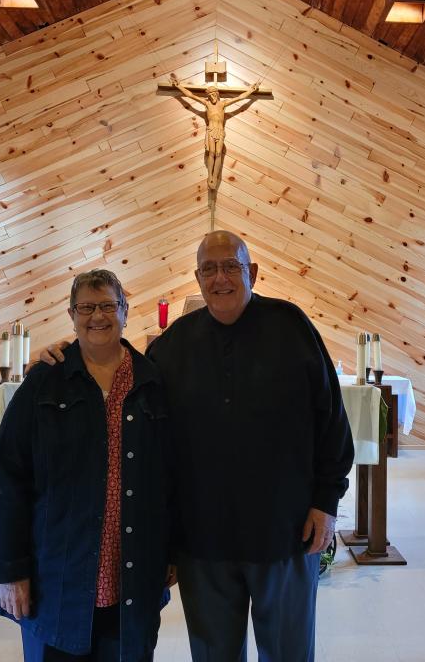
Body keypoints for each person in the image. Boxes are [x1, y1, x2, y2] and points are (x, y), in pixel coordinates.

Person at [43, 231, 353, 661]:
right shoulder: (175, 345)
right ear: (197, 276)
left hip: (284, 531)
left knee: (289, 653)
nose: (220, 278)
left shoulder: (292, 327)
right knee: (213, 655)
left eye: (231, 266)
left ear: (253, 273)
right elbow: (119, 369)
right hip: (203, 541)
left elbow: (332, 418)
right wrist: (68, 353)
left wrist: (326, 500)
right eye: (209, 268)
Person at [0, 269, 173, 662]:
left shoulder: (152, 383)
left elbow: (171, 479)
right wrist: (9, 570)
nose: (97, 317)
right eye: (86, 307)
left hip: (132, 580)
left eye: (108, 305)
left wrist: (171, 553)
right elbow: (9, 479)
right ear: (71, 315)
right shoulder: (45, 382)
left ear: (125, 310)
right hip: (58, 580)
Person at [170, 74, 260, 218]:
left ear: (217, 94)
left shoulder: (223, 104)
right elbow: (190, 96)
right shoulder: (206, 104)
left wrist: (251, 91)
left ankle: (215, 177)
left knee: (218, 154)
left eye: (213, 93)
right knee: (211, 153)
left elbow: (240, 98)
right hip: (211, 130)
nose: (211, 96)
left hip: (220, 131)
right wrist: (178, 86)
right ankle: (210, 176)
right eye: (209, 94)